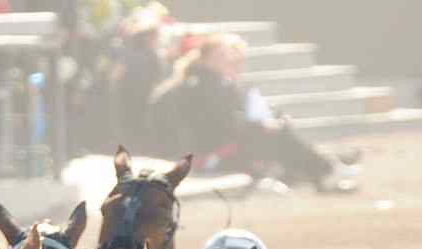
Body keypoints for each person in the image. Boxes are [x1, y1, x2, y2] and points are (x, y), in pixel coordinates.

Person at [149, 34, 356, 193]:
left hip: (220, 144)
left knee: (278, 133)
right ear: (206, 59)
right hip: (210, 153)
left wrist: (267, 122)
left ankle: (324, 171)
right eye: (221, 56)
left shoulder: (214, 82)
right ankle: (326, 170)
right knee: (277, 136)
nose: (228, 60)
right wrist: (261, 126)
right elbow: (220, 126)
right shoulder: (203, 84)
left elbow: (234, 118)